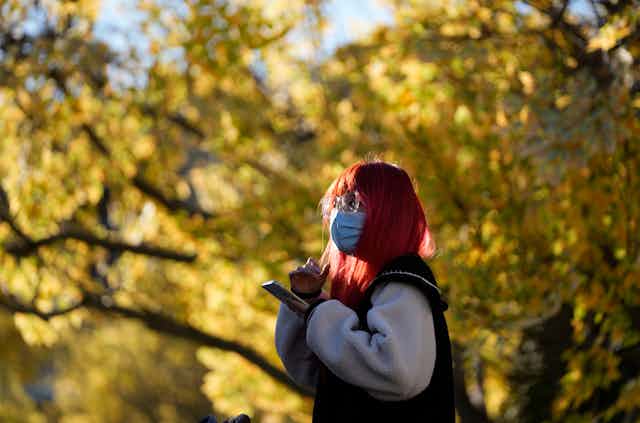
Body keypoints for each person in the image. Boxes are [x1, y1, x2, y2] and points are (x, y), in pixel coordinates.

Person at [274, 158, 455, 422]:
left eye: (351, 203)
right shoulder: (364, 287)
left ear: (387, 211)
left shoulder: (404, 280)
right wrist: (305, 301)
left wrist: (320, 312)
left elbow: (396, 374)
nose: (338, 214)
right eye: (335, 204)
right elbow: (321, 374)